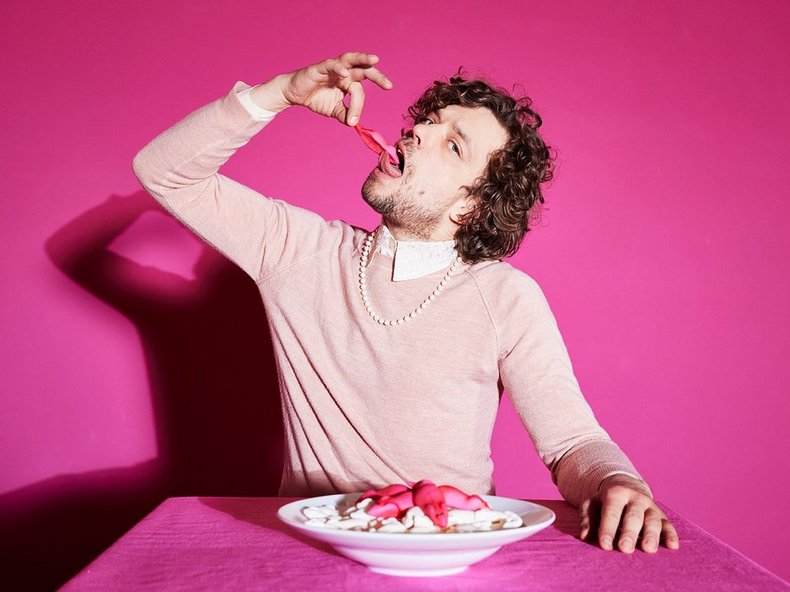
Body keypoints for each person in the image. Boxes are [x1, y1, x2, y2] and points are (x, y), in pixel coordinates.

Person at [133, 51, 679, 554]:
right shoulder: (298, 250)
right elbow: (163, 172)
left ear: (470, 208)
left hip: (451, 552)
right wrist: (279, 93)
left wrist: (618, 483)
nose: (417, 130)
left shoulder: (506, 297)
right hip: (310, 552)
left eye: (453, 144)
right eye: (429, 121)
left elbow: (572, 442)